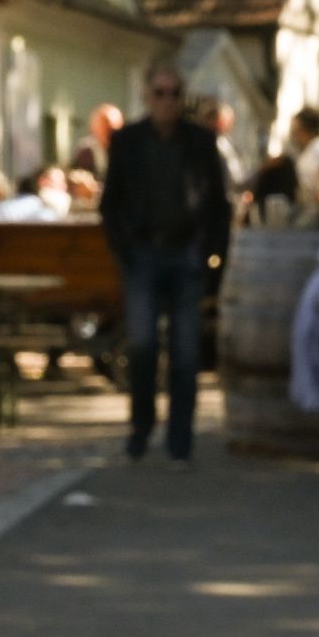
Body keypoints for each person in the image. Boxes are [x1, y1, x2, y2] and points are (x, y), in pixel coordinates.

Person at [102, 61, 232, 463]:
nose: (167, 102)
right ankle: (141, 427)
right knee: (141, 347)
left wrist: (213, 256)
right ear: (147, 96)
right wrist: (124, 251)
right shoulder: (128, 141)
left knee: (187, 351)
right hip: (143, 254)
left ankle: (181, 437)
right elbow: (111, 205)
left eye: (174, 93)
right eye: (160, 93)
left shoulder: (200, 141)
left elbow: (218, 205)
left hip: (186, 255)